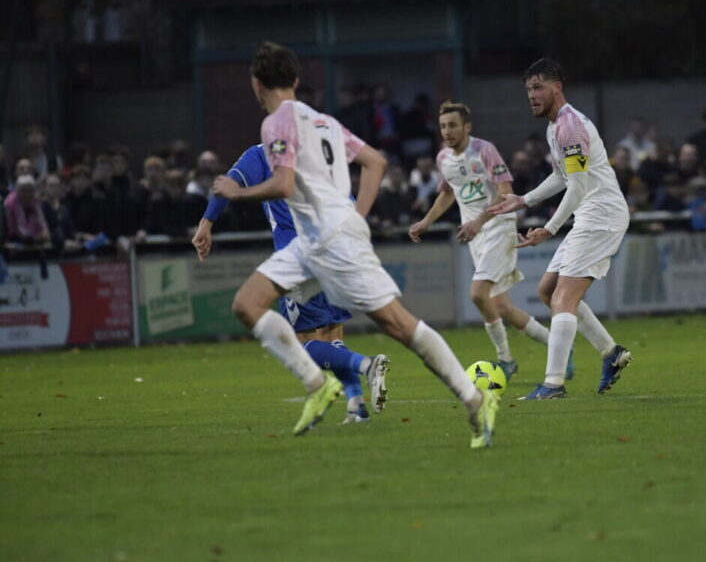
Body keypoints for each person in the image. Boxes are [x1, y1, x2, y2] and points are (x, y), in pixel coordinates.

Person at [211, 42, 498, 447]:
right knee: (247, 303)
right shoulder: (324, 121)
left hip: (331, 239)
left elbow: (284, 185)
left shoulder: (276, 123)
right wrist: (357, 215)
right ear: (295, 80)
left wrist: (236, 193)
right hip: (312, 240)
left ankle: (474, 399)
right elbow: (375, 161)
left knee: (397, 324)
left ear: (256, 84)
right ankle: (318, 384)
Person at [193, 142, 389, 424]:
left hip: (300, 259)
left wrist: (206, 223)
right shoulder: (315, 148)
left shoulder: (262, 153)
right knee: (332, 333)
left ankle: (367, 365)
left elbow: (228, 185)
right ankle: (356, 407)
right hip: (338, 250)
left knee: (304, 343)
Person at [488, 58, 632, 400]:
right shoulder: (554, 127)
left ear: (558, 87)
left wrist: (550, 228)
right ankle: (611, 352)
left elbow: (578, 185)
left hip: (602, 216)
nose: (531, 95)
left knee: (564, 298)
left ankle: (553, 384)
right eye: (528, 89)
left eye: (538, 87)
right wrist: (524, 200)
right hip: (590, 214)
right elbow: (561, 175)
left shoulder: (570, 126)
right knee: (548, 290)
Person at [408, 101, 559, 381]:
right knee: (502, 307)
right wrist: (426, 222)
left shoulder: (484, 150)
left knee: (477, 294)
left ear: (467, 127)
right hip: (476, 235)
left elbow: (505, 192)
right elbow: (447, 193)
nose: (447, 131)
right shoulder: (443, 158)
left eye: (453, 125)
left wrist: (478, 222)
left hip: (498, 227)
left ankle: (506, 361)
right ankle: (559, 347)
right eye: (443, 126)